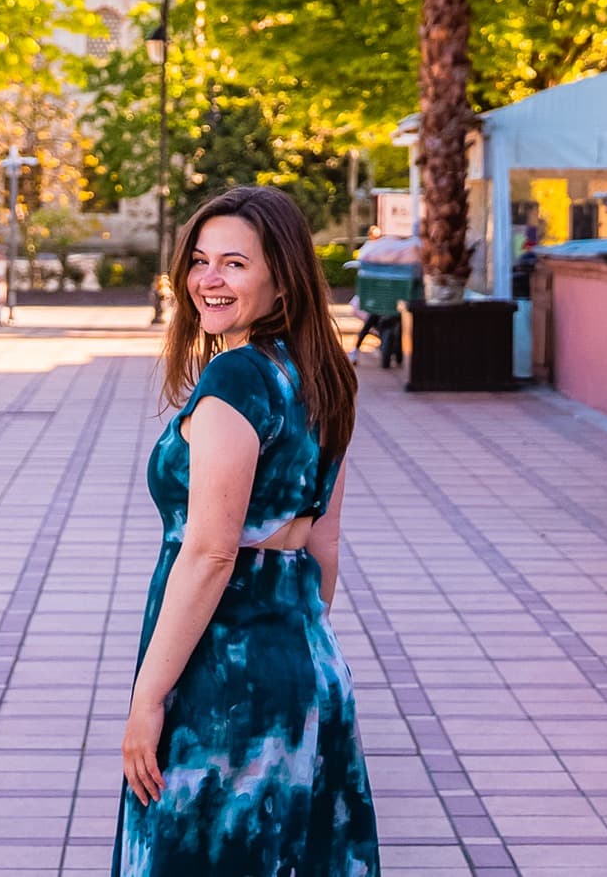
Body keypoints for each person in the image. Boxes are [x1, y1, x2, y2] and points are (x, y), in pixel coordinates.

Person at [114, 186, 379, 875]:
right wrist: (294, 650)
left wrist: (147, 699)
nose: (208, 279)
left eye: (234, 263)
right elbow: (323, 544)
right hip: (305, 665)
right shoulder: (323, 375)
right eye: (200, 261)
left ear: (281, 276)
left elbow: (208, 552)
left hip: (224, 681)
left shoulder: (238, 377)